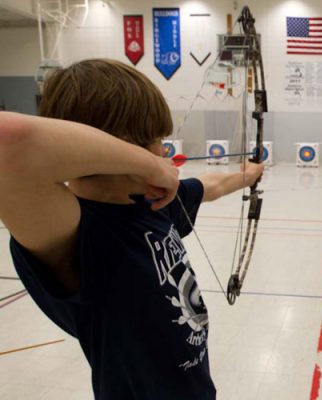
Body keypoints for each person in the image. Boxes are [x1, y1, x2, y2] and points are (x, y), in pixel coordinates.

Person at [0, 59, 264, 400]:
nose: (164, 150)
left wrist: (248, 175)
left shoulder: (151, 202)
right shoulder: (76, 231)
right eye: (156, 140)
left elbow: (210, 186)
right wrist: (147, 163)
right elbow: (8, 143)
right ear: (126, 145)